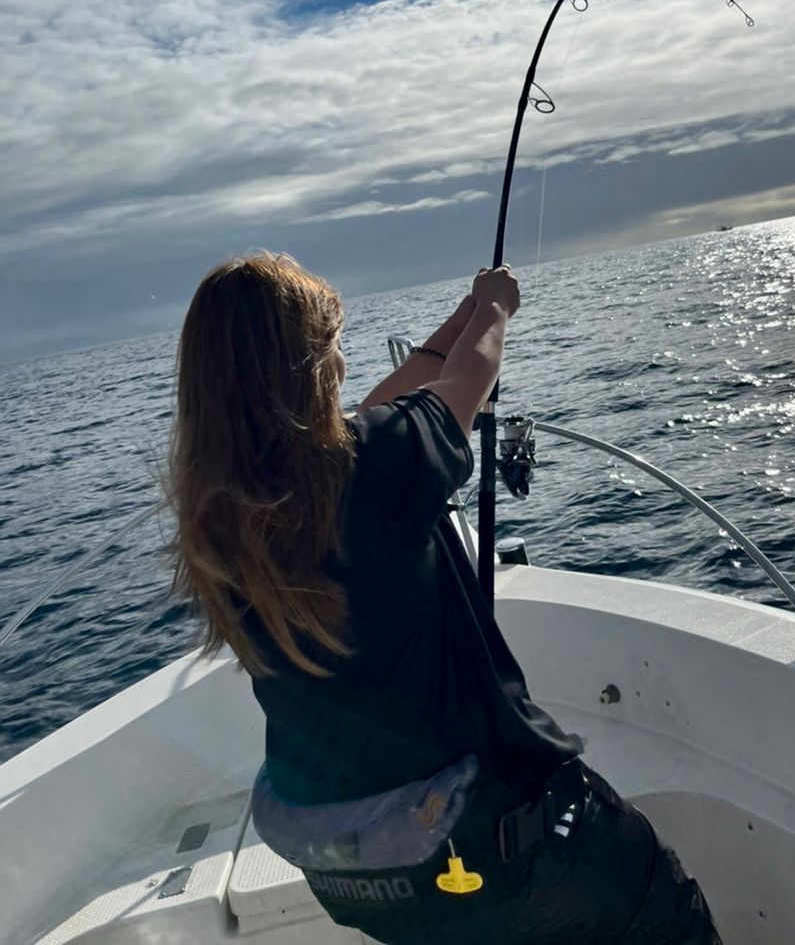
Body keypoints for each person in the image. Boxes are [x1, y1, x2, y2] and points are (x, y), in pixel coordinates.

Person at [168, 250, 722, 944]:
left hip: (375, 886)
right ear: (305, 366)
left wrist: (467, 307)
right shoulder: (376, 464)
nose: (342, 368)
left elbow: (398, 397)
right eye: (332, 349)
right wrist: (494, 307)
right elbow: (468, 377)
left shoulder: (218, 521)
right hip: (513, 849)